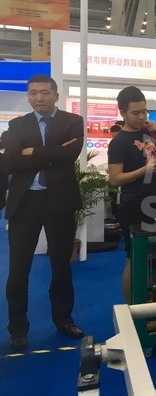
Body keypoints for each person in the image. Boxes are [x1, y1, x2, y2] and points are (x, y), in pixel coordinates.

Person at [2, 74, 85, 351]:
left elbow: (69, 155)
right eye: (33, 93)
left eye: (45, 92)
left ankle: (63, 320)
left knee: (61, 265)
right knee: (18, 269)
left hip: (59, 201)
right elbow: (9, 162)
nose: (39, 98)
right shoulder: (17, 124)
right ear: (28, 96)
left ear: (56, 95)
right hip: (25, 202)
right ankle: (17, 328)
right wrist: (50, 153)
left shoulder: (72, 122)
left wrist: (30, 152)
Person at [107, 86, 156, 303]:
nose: (142, 117)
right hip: (135, 204)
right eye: (136, 113)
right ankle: (134, 309)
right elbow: (115, 179)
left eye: (144, 111)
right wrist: (144, 171)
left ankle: (149, 305)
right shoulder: (118, 142)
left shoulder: (150, 133)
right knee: (135, 258)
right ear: (123, 113)